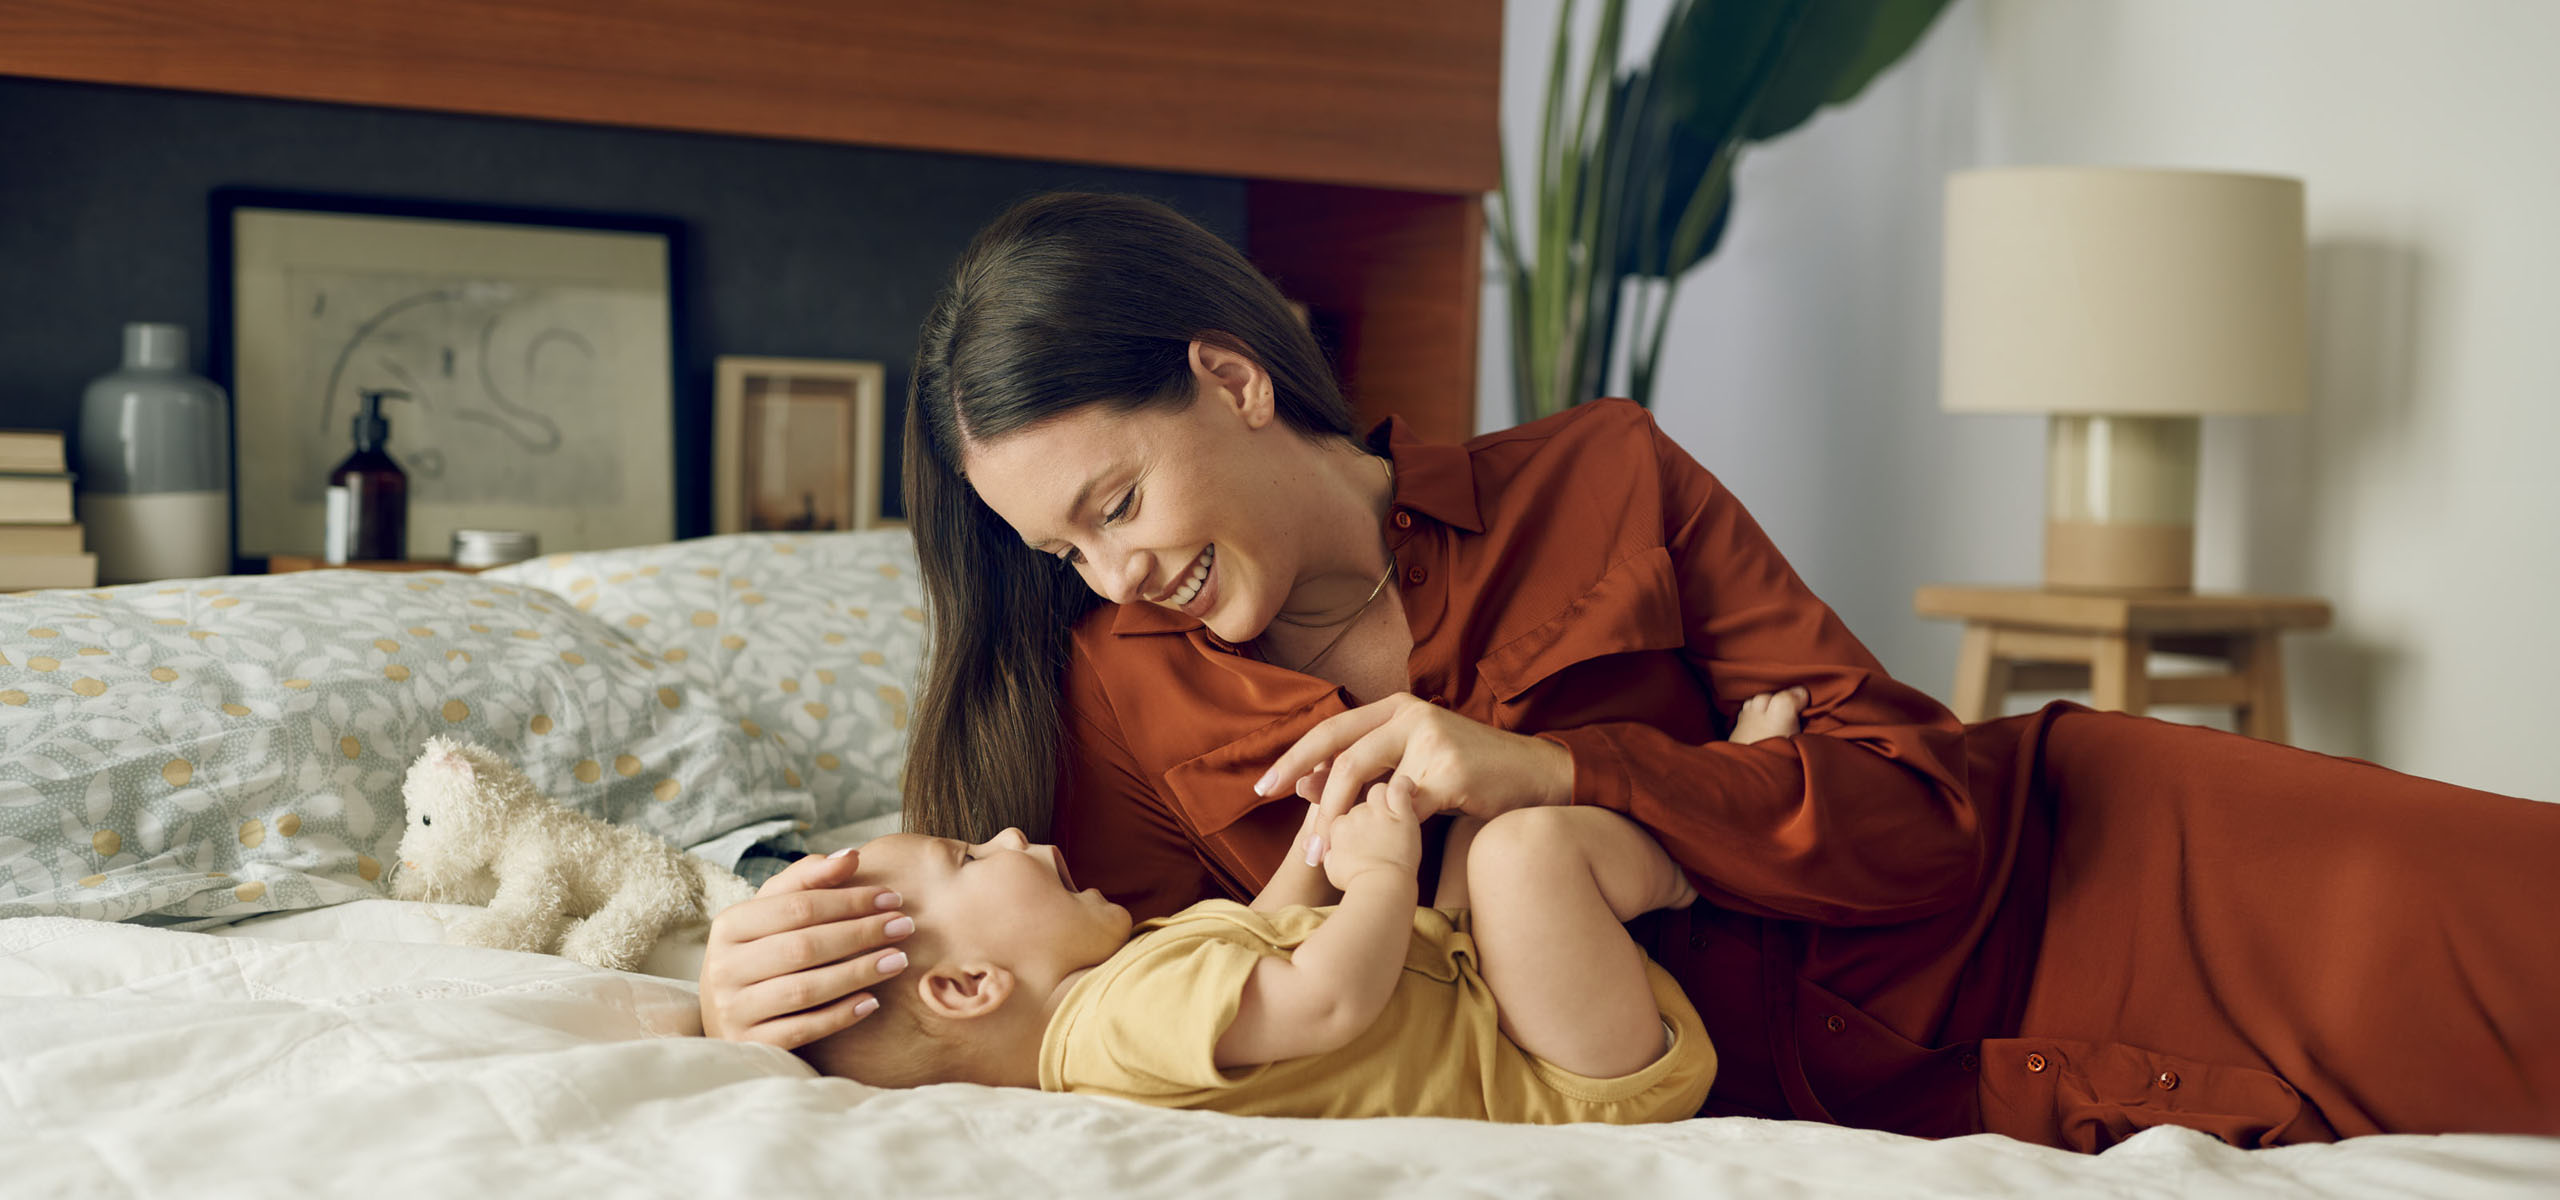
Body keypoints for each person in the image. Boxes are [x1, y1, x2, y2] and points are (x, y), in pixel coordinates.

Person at [701, 192, 2560, 1152]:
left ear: (1234, 379)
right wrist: (751, 984)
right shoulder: (1122, 700)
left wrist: (1567, 774)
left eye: (1117, 504)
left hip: (2086, 869)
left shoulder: (1602, 477)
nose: (1116, 578)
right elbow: (1027, 1020)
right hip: (1902, 1091)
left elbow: (1915, 818)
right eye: (1063, 556)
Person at [787, 694, 1810, 1121]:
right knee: (1519, 854)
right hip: (1560, 1081)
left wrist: (1326, 829)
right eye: (969, 856)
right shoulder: (1116, 1027)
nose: (1011, 836)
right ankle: (1717, 831)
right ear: (969, 985)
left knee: (1466, 814)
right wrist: (1380, 875)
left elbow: (1268, 922)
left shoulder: (1120, 988)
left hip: (1477, 1000)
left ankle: (1695, 813)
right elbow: (1323, 999)